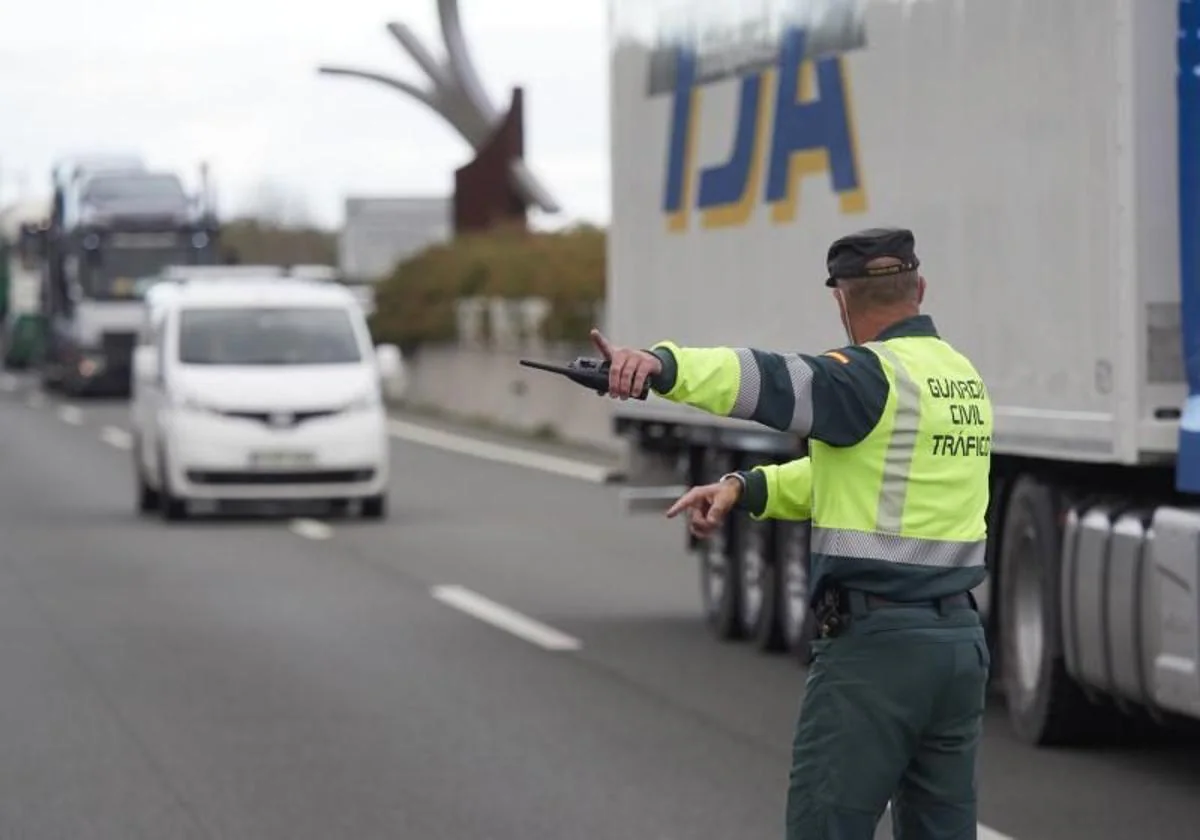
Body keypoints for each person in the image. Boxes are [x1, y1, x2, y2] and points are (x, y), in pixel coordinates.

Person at [589, 227, 993, 840]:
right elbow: (861, 477)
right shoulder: (960, 378)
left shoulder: (865, 376)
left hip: (877, 653)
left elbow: (764, 380)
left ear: (841, 300)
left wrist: (662, 366)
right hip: (958, 648)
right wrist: (746, 488)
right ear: (920, 288)